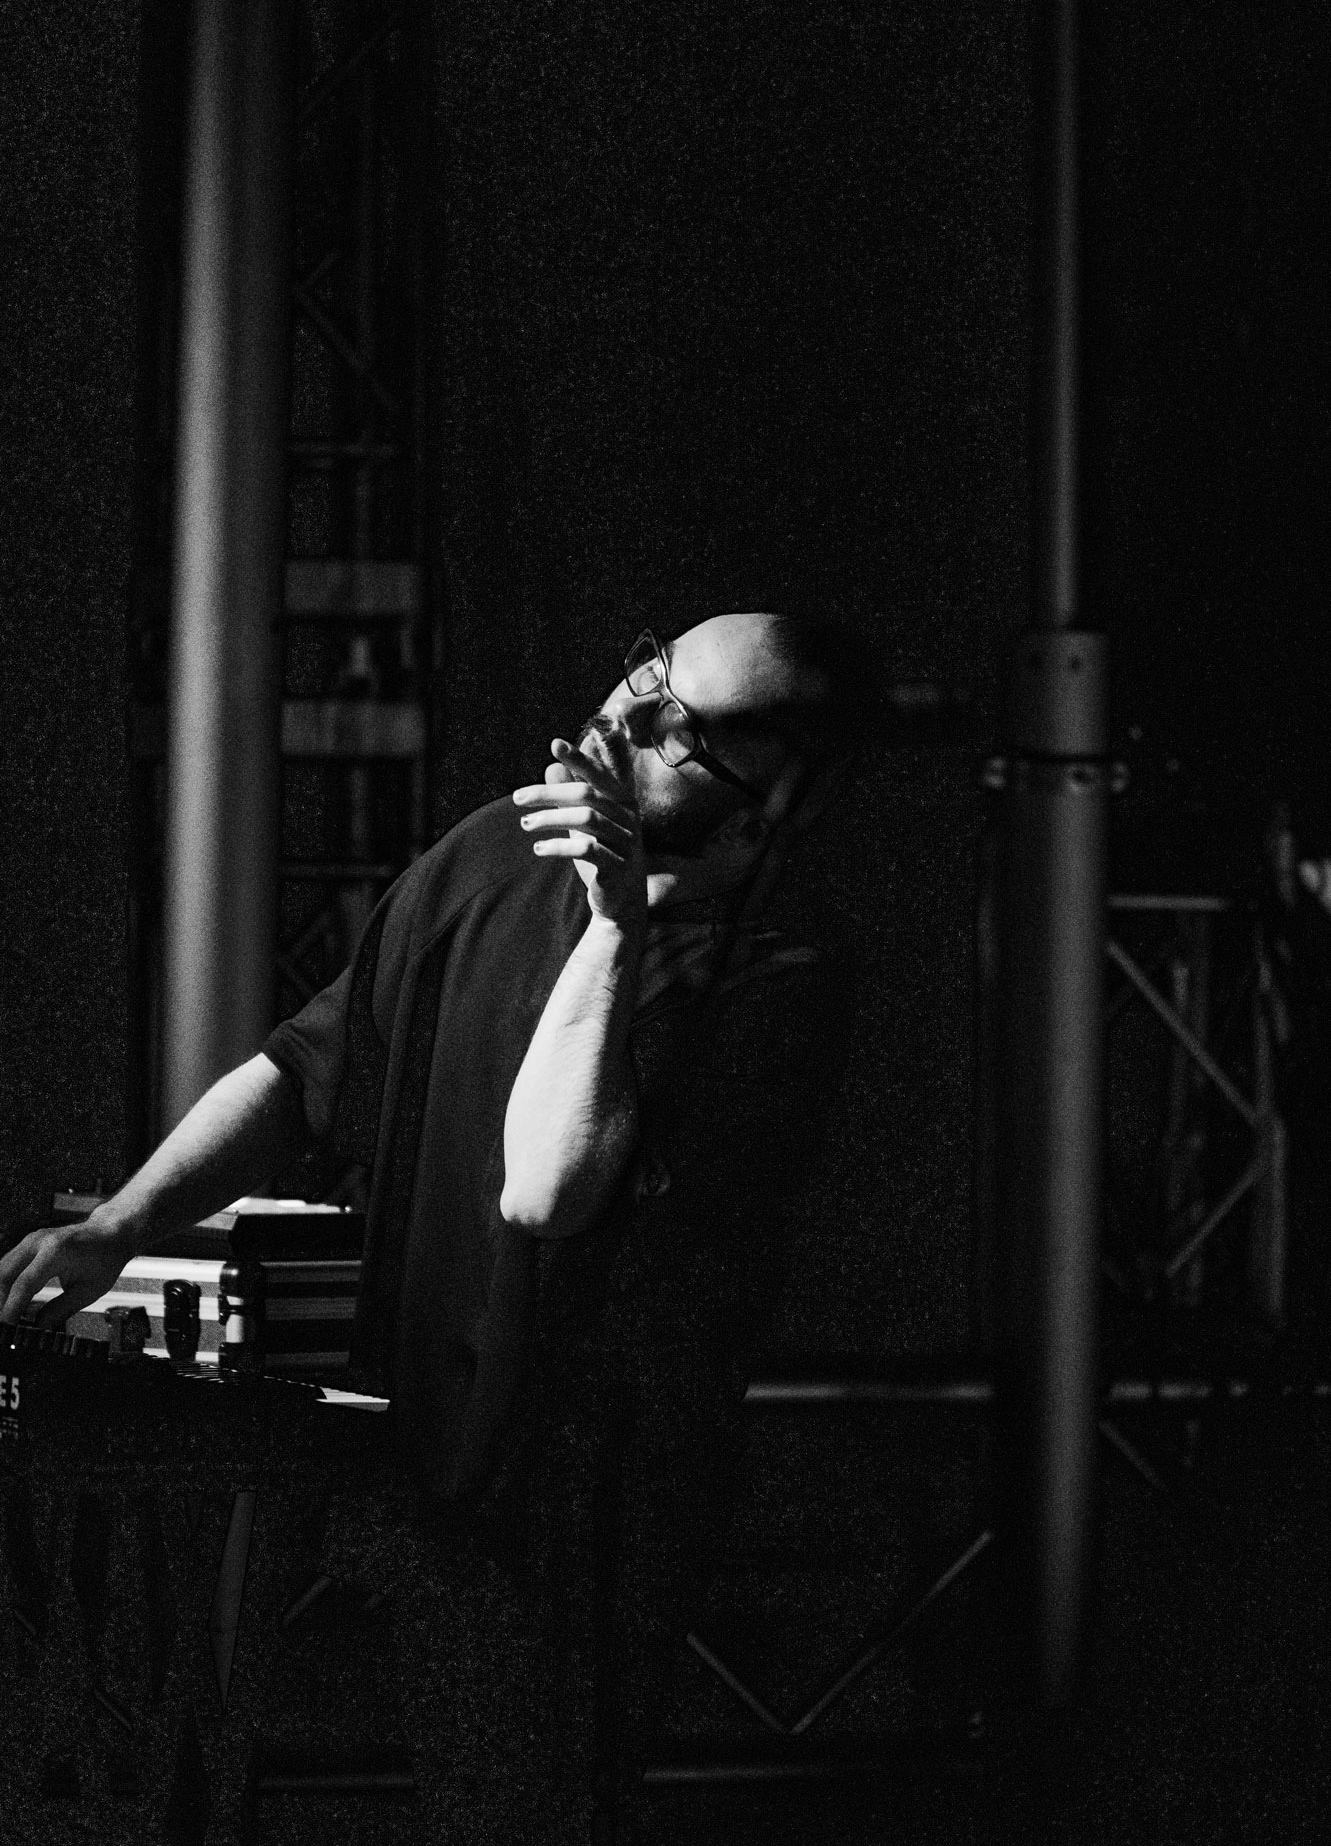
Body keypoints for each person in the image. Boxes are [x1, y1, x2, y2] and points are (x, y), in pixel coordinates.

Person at [0, 610, 864, 1504]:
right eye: (653, 669)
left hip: (593, 1498)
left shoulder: (779, 977)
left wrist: (615, 924)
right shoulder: (494, 851)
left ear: (749, 826)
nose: (626, 713)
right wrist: (121, 1226)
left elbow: (544, 1195)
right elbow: (301, 1075)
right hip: (401, 1451)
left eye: (680, 728)